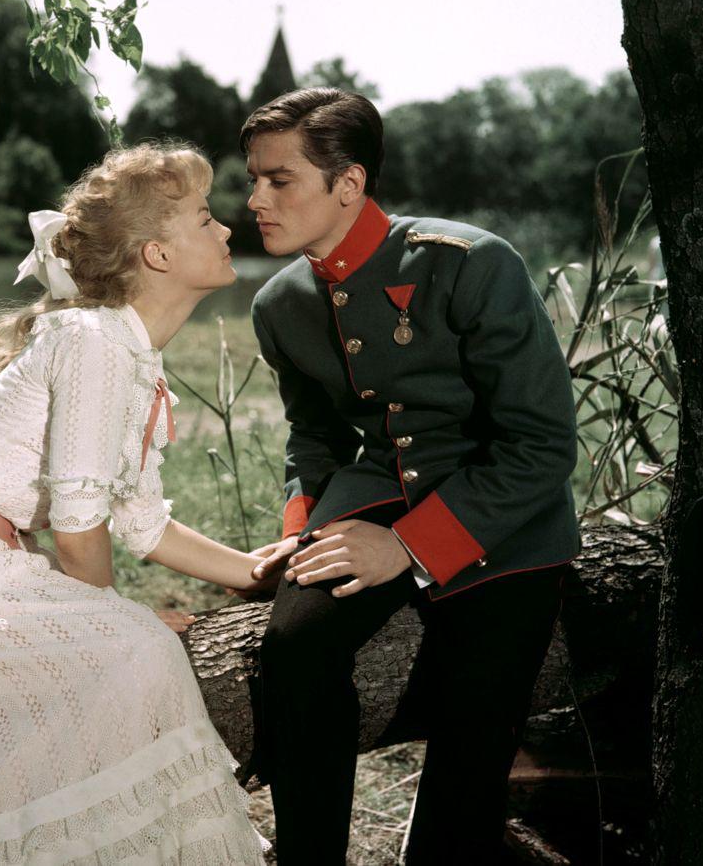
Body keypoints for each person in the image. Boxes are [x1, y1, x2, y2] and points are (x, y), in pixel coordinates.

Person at [0, 143, 274, 865]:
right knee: (145, 653)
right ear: (157, 254)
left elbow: (140, 520)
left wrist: (254, 572)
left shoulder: (129, 352)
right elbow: (77, 528)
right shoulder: (93, 337)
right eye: (206, 218)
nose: (228, 229)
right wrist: (106, 615)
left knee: (137, 653)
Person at [243, 89, 581, 865]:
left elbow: (540, 445)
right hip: (377, 489)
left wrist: (408, 548)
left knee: (470, 752)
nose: (254, 197)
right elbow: (315, 435)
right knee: (293, 648)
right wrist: (302, 532)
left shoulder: (470, 263)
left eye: (278, 178)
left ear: (349, 184)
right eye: (253, 178)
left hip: (505, 516)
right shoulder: (280, 303)